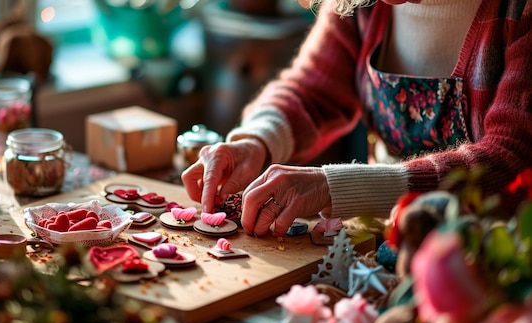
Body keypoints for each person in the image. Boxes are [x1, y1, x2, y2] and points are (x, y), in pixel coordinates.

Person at [181, 0, 532, 237]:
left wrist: (334, 186)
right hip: (389, 241)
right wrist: (255, 141)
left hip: (501, 265)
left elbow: (511, 159)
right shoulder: (365, 4)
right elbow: (311, 91)